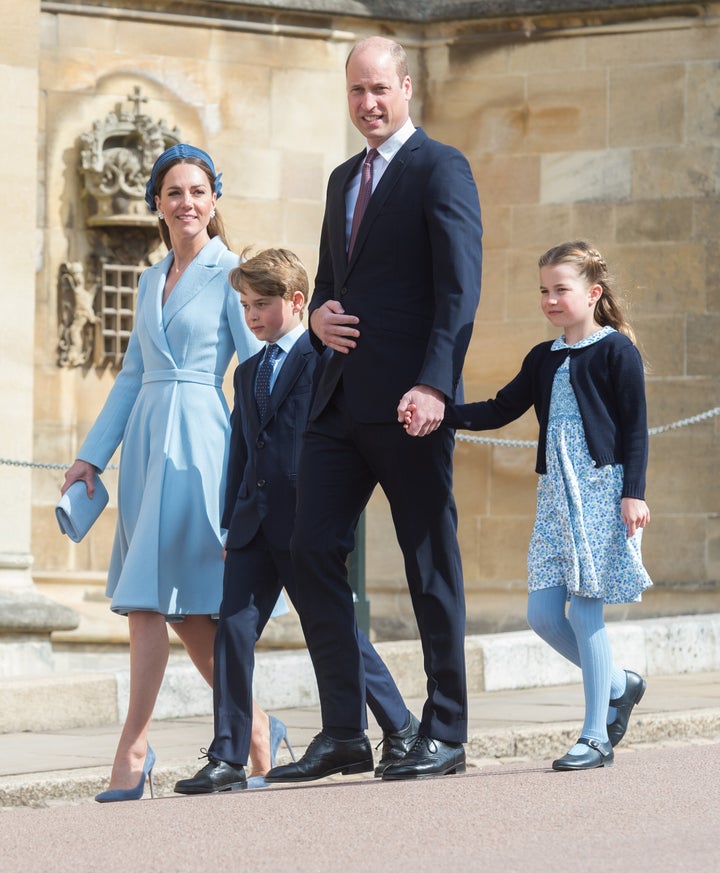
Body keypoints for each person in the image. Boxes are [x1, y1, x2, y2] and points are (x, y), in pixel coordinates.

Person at [265, 36, 483, 785]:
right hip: (338, 402)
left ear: (407, 86)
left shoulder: (439, 168)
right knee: (308, 547)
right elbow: (330, 284)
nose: (367, 104)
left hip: (411, 405)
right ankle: (344, 732)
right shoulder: (337, 180)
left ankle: (446, 731)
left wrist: (436, 384)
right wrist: (318, 323)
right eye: (356, 91)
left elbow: (459, 290)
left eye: (379, 90)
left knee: (429, 566)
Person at [61, 144, 285, 802]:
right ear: (156, 203)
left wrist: (258, 470)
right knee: (146, 605)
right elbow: (131, 375)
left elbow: (254, 372)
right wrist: (91, 455)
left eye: (198, 191)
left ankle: (177, 742)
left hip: (202, 449)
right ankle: (185, 739)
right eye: (174, 192)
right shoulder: (147, 277)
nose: (186, 203)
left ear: (214, 199)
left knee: (192, 616)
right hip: (145, 452)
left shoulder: (231, 272)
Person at [173, 247, 419, 794]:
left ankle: (400, 726)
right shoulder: (248, 372)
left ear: (297, 301)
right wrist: (227, 525)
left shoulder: (323, 357)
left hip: (308, 523)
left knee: (337, 634)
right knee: (231, 636)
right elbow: (241, 452)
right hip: (251, 529)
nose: (252, 315)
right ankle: (229, 756)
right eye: (244, 305)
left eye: (262, 303)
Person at [437, 240, 652, 771]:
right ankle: (620, 683)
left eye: (561, 289)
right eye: (544, 291)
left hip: (602, 493)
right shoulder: (542, 357)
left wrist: (635, 493)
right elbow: (499, 408)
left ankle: (594, 735)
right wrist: (440, 413)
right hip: (555, 496)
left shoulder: (616, 351)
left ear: (592, 293)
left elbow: (636, 428)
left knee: (584, 611)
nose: (551, 300)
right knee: (541, 614)